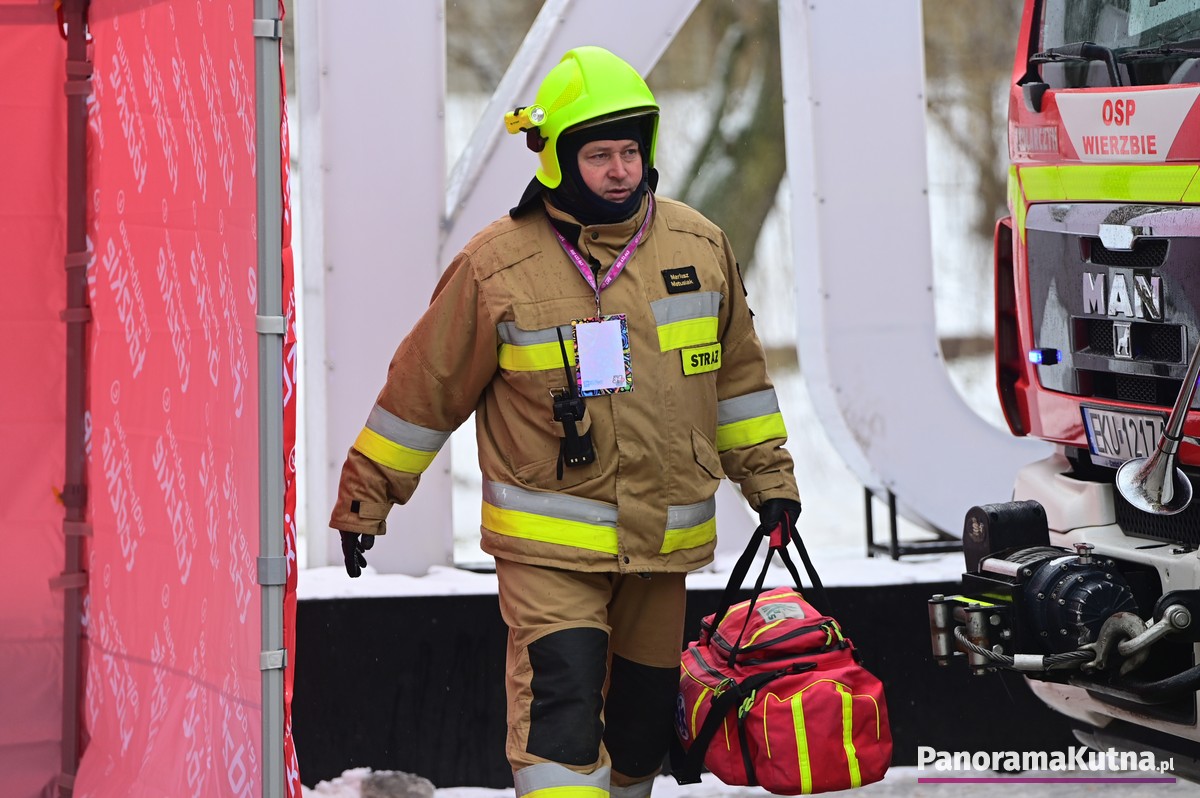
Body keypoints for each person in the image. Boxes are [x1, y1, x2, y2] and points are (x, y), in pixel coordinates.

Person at [329, 45, 802, 798]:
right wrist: (367, 496)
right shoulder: (496, 267)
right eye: (598, 155)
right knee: (563, 710)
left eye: (630, 152)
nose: (620, 171)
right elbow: (424, 391)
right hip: (550, 550)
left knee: (641, 729)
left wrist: (770, 484)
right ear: (555, 160)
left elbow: (739, 383)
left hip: (663, 545)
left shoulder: (699, 246)